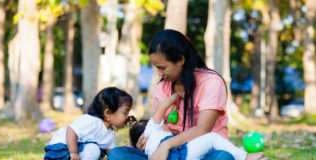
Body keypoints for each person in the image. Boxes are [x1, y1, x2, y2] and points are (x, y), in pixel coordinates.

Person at [108, 29, 267, 160]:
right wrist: (139, 143)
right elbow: (161, 127)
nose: (159, 74)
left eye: (163, 67)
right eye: (156, 67)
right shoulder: (162, 88)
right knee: (117, 154)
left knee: (222, 157)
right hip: (169, 154)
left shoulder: (210, 82)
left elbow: (203, 130)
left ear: (181, 60)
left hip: (203, 152)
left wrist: (166, 145)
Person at [129, 93, 265, 160]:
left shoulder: (146, 150)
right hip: (180, 154)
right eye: (164, 123)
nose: (167, 124)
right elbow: (161, 108)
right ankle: (244, 157)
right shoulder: (151, 130)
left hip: (180, 156)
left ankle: (236, 152)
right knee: (211, 138)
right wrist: (175, 97)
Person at [44, 87, 135, 160]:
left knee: (94, 150)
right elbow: (71, 131)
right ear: (108, 113)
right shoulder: (92, 121)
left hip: (80, 149)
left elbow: (111, 152)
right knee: (94, 150)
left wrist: (127, 149)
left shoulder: (110, 133)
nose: (127, 117)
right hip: (62, 148)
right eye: (125, 113)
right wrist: (74, 153)